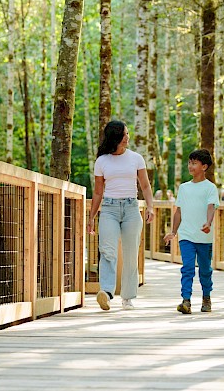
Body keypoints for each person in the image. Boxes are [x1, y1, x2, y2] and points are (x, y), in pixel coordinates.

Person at [88, 120, 155, 311]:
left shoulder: (136, 158)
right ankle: (107, 293)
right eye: (124, 134)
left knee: (131, 253)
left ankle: (127, 297)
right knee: (107, 251)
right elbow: (98, 192)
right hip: (108, 209)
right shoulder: (102, 161)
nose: (128, 137)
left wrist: (150, 207)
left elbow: (145, 185)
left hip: (131, 209)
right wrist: (91, 217)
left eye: (128, 133)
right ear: (115, 137)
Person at [163, 149, 220, 314]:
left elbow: (211, 207)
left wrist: (208, 223)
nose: (190, 166)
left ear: (204, 166)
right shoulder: (184, 188)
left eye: (194, 163)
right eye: (189, 162)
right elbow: (178, 211)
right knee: (187, 267)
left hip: (204, 236)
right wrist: (173, 231)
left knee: (205, 270)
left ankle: (206, 297)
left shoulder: (210, 188)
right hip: (186, 235)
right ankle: (186, 300)